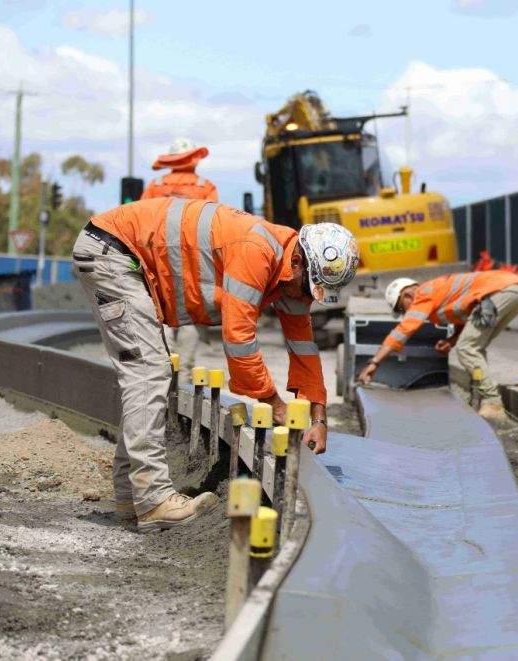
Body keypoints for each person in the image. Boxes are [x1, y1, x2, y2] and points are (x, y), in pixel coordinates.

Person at [72, 198, 359, 532]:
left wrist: (319, 415)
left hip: (118, 249)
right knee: (150, 371)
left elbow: (304, 347)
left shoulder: (290, 269)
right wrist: (274, 403)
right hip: (113, 251)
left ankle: (129, 498)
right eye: (308, 288)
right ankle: (152, 501)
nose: (306, 297)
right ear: (297, 261)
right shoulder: (256, 251)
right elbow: (238, 339)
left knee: (155, 375)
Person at [357, 271, 518, 421]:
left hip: (499, 292)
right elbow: (466, 321)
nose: (405, 313)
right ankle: (485, 400)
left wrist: (375, 362)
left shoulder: (423, 293)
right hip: (512, 292)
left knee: (467, 348)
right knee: (474, 346)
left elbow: (403, 331)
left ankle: (493, 403)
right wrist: (451, 341)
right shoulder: (439, 293)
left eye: (402, 308)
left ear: (407, 295)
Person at [141, 138, 219, 380]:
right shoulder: (206, 187)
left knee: (159, 309)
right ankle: (183, 372)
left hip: (158, 259)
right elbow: (212, 225)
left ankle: (163, 364)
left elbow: (142, 222)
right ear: (195, 159)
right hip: (190, 259)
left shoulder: (155, 185)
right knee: (188, 315)